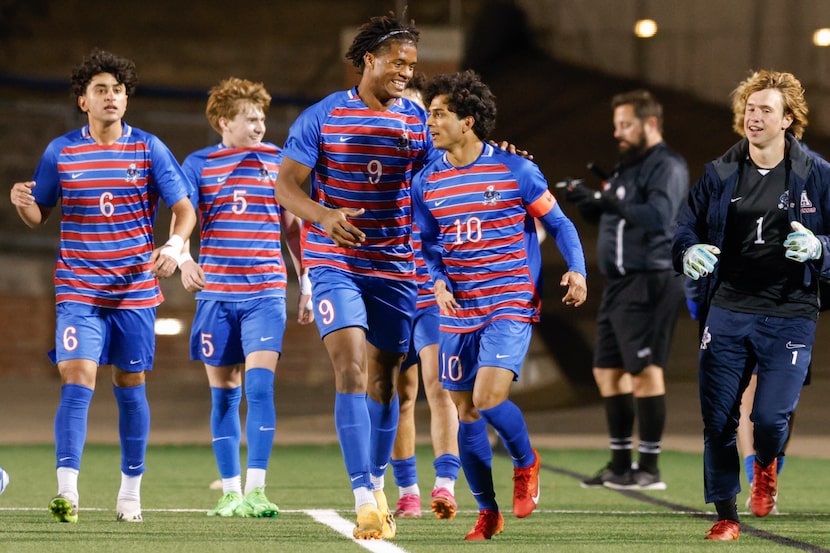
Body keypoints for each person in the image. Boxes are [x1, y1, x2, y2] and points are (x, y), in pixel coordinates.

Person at [9, 49, 197, 523]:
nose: (111, 96)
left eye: (118, 89)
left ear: (126, 99)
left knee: (130, 386)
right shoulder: (61, 151)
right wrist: (21, 202)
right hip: (78, 288)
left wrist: (174, 248)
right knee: (77, 378)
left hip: (134, 291)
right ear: (82, 101)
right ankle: (66, 492)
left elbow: (184, 209)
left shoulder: (149, 149)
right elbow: (39, 215)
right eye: (101, 90)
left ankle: (129, 493)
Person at [272, 11, 429, 540]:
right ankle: (363, 495)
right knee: (352, 369)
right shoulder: (321, 117)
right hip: (333, 260)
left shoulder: (417, 122)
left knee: (386, 383)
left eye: (411, 65)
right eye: (397, 62)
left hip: (395, 265)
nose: (406, 72)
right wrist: (323, 216)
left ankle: (378, 481)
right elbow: (286, 187)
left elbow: (441, 179)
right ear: (369, 60)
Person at [412, 70, 588, 540]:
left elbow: (563, 225)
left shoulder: (516, 171)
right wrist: (437, 279)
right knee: (464, 410)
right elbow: (426, 243)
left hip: (508, 301)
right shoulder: (427, 182)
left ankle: (526, 461)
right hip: (458, 310)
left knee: (489, 399)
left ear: (467, 122)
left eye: (439, 114)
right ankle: (488, 511)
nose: (430, 122)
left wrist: (577, 270)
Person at [673, 69, 830, 541]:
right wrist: (688, 252)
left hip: (790, 313)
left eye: (765, 110)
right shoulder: (719, 173)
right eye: (750, 108)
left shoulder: (818, 175)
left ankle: (765, 464)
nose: (754, 116)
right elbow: (684, 229)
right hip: (729, 309)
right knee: (718, 418)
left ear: (788, 120)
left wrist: (821, 248)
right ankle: (726, 514)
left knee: (768, 418)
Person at [177, 77, 314, 518]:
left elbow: (294, 230)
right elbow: (184, 220)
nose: (259, 126)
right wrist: (183, 261)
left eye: (262, 118)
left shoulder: (277, 163)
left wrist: (306, 284)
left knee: (259, 386)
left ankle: (257, 489)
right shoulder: (197, 165)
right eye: (249, 118)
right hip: (215, 295)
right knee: (224, 396)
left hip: (264, 294)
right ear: (223, 122)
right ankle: (229, 492)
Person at [563, 89, 688, 491]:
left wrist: (606, 199)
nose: (618, 131)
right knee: (607, 371)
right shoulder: (626, 166)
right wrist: (588, 201)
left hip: (650, 278)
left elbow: (658, 216)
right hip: (619, 284)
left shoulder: (666, 164)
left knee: (645, 373)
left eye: (626, 124)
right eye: (616, 124)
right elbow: (610, 212)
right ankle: (620, 465)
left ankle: (648, 468)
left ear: (650, 123)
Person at [390, 72, 462, 521]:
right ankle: (407, 491)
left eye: (427, 115)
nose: (419, 124)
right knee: (400, 394)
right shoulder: (385, 167)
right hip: (394, 290)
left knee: (439, 388)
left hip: (433, 292)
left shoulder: (447, 168)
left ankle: (445, 484)